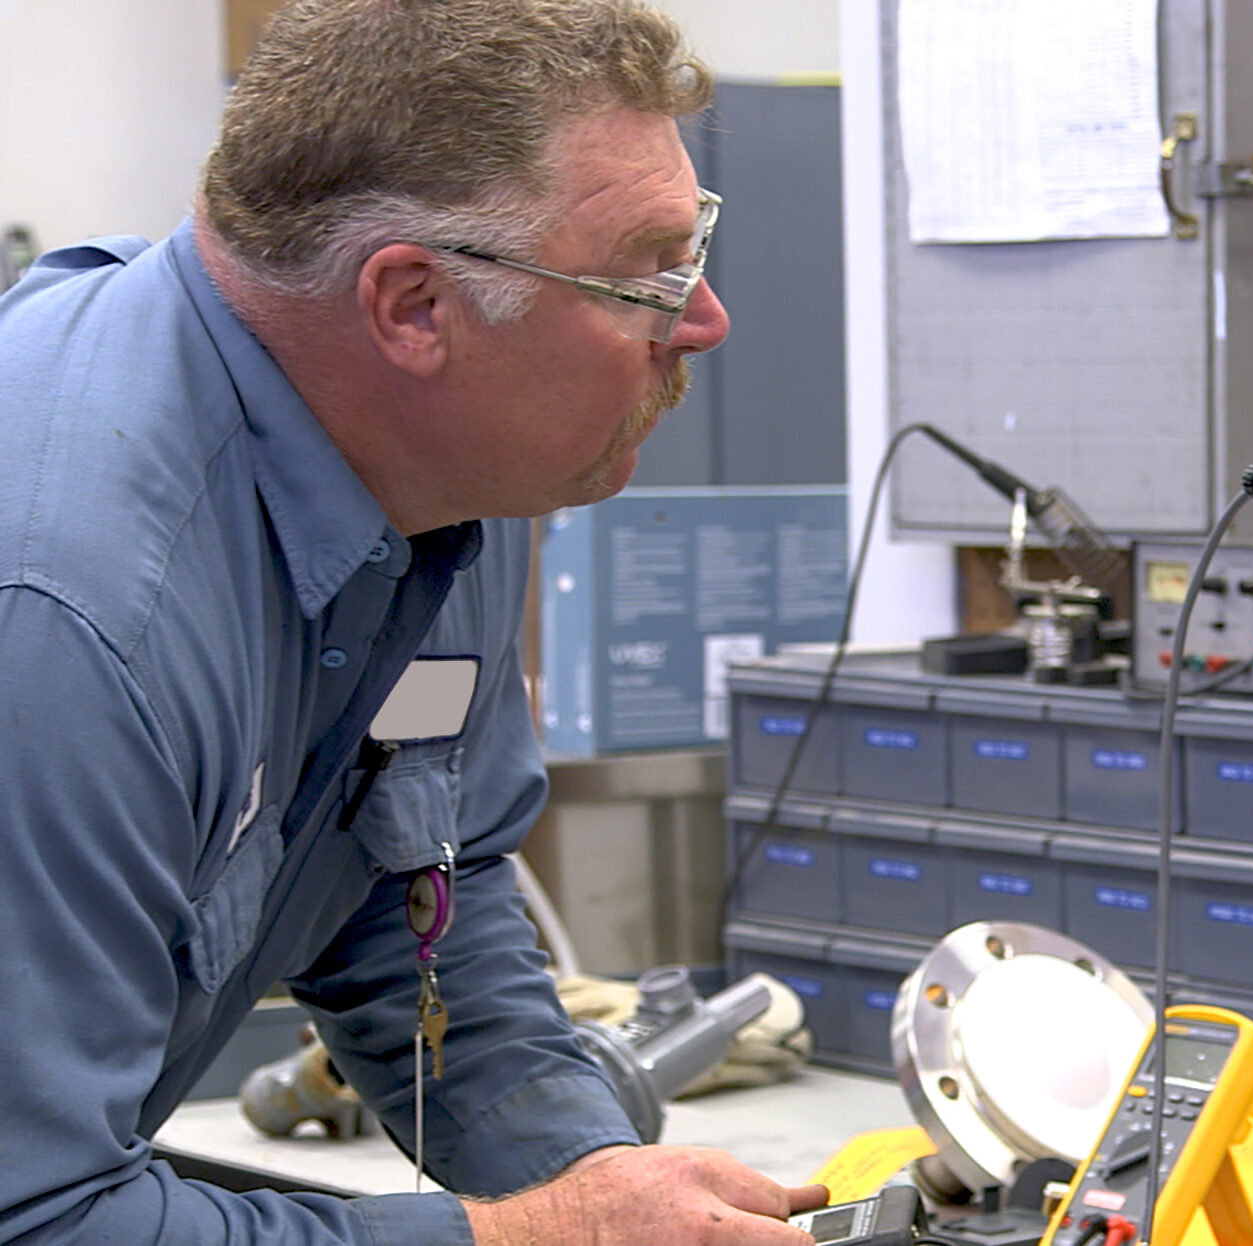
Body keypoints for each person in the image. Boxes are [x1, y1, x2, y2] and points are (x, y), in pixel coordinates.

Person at [0, 1, 829, 1241]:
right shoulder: (72, 618)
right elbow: (36, 1218)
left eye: (692, 245)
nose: (702, 320)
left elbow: (418, 893)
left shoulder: (449, 471)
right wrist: (532, 1237)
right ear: (414, 306)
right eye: (645, 271)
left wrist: (597, 1184)